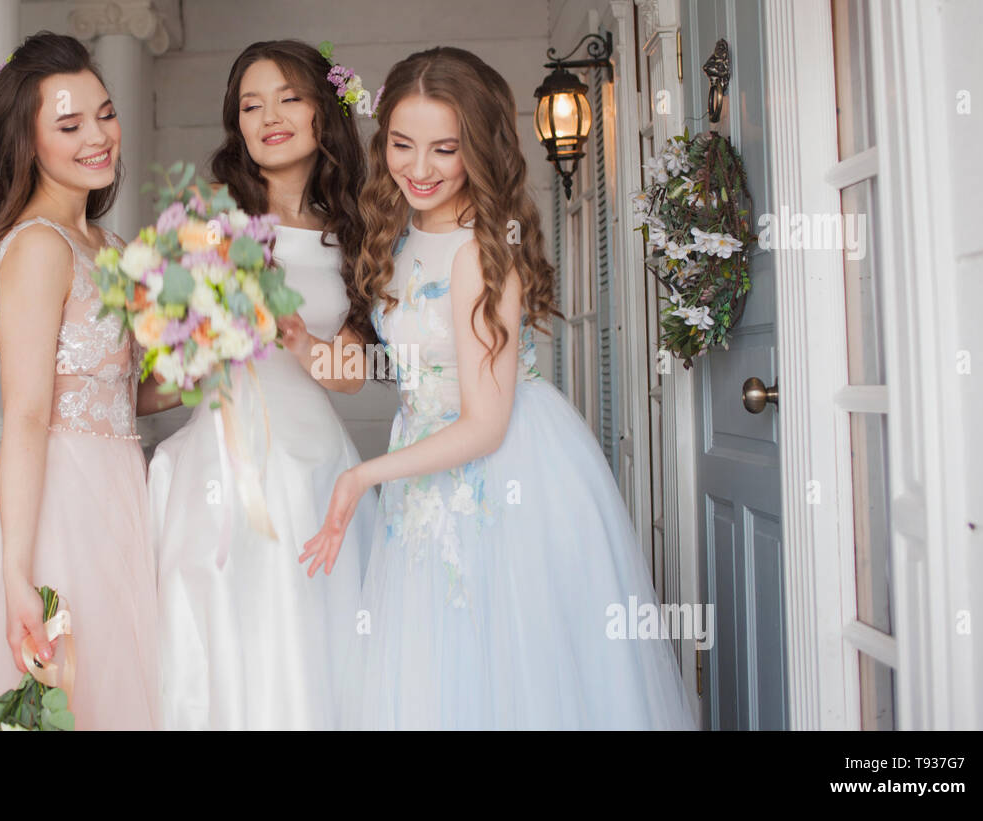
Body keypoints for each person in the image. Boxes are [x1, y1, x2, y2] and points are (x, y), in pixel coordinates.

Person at [301, 46, 700, 730]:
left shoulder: (483, 253)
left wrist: (362, 475)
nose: (419, 168)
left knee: (510, 671)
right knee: (439, 673)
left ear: (479, 150)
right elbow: (409, 370)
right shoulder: (398, 234)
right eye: (402, 144)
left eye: (444, 149)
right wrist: (293, 341)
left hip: (505, 469)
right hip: (424, 473)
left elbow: (485, 424)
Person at [0, 32, 167, 730]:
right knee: (68, 688)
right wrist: (17, 573)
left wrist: (216, 355)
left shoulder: (111, 248)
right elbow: (25, 414)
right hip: (61, 505)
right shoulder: (38, 246)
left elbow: (118, 399)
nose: (98, 136)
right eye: (69, 125)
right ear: (27, 141)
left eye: (105, 114)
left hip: (123, 493)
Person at [145, 40, 375, 730]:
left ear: (324, 111)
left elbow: (351, 377)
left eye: (289, 98)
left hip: (315, 466)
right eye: (251, 105)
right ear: (237, 123)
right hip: (224, 456)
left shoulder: (353, 232)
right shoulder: (210, 221)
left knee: (312, 646)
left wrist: (301, 341)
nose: (269, 116)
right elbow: (163, 370)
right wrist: (211, 335)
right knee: (223, 636)